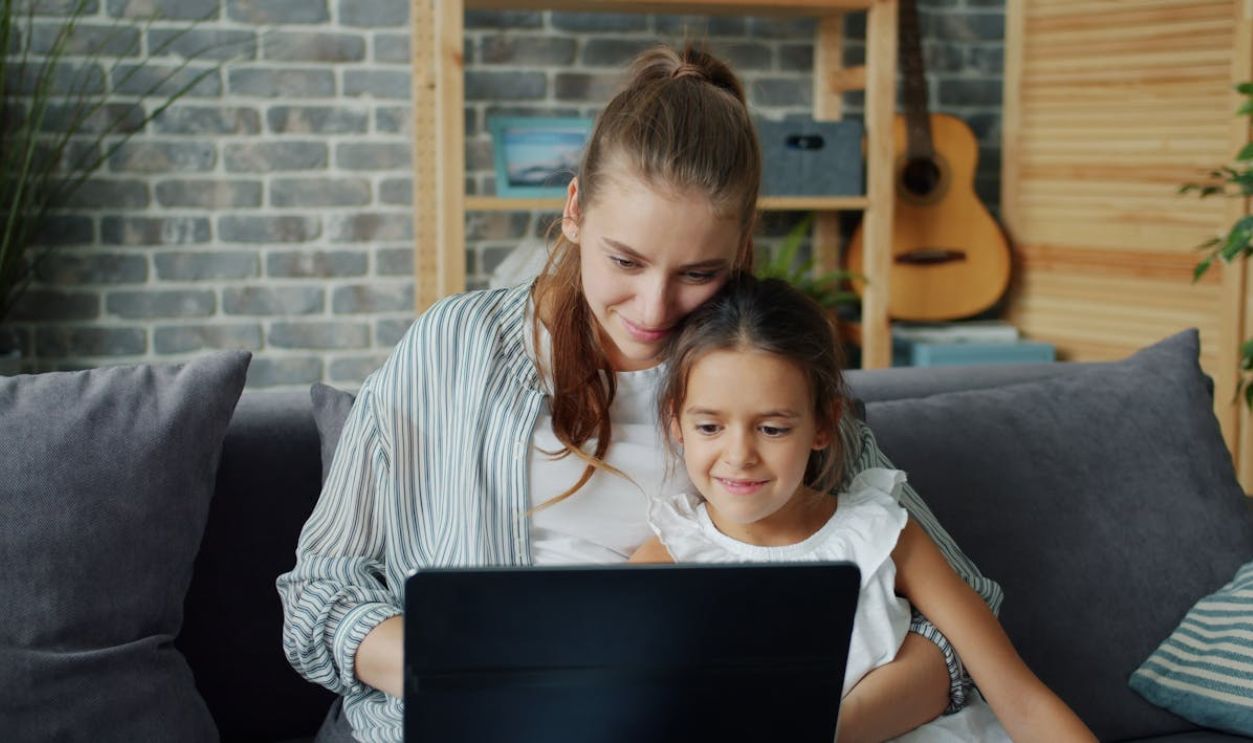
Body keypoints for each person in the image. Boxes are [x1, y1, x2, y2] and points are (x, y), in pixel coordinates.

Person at [277, 44, 1000, 742]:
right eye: (623, 259)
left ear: (742, 249)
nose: (653, 309)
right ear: (573, 211)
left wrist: (823, 726)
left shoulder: (764, 382)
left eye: (698, 273)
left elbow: (967, 617)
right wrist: (464, 672)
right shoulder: (453, 348)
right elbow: (320, 591)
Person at [629, 275, 1095, 743]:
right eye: (710, 426)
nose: (739, 455)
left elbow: (1021, 700)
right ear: (676, 421)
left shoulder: (884, 532)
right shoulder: (664, 562)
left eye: (772, 429)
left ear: (824, 426)